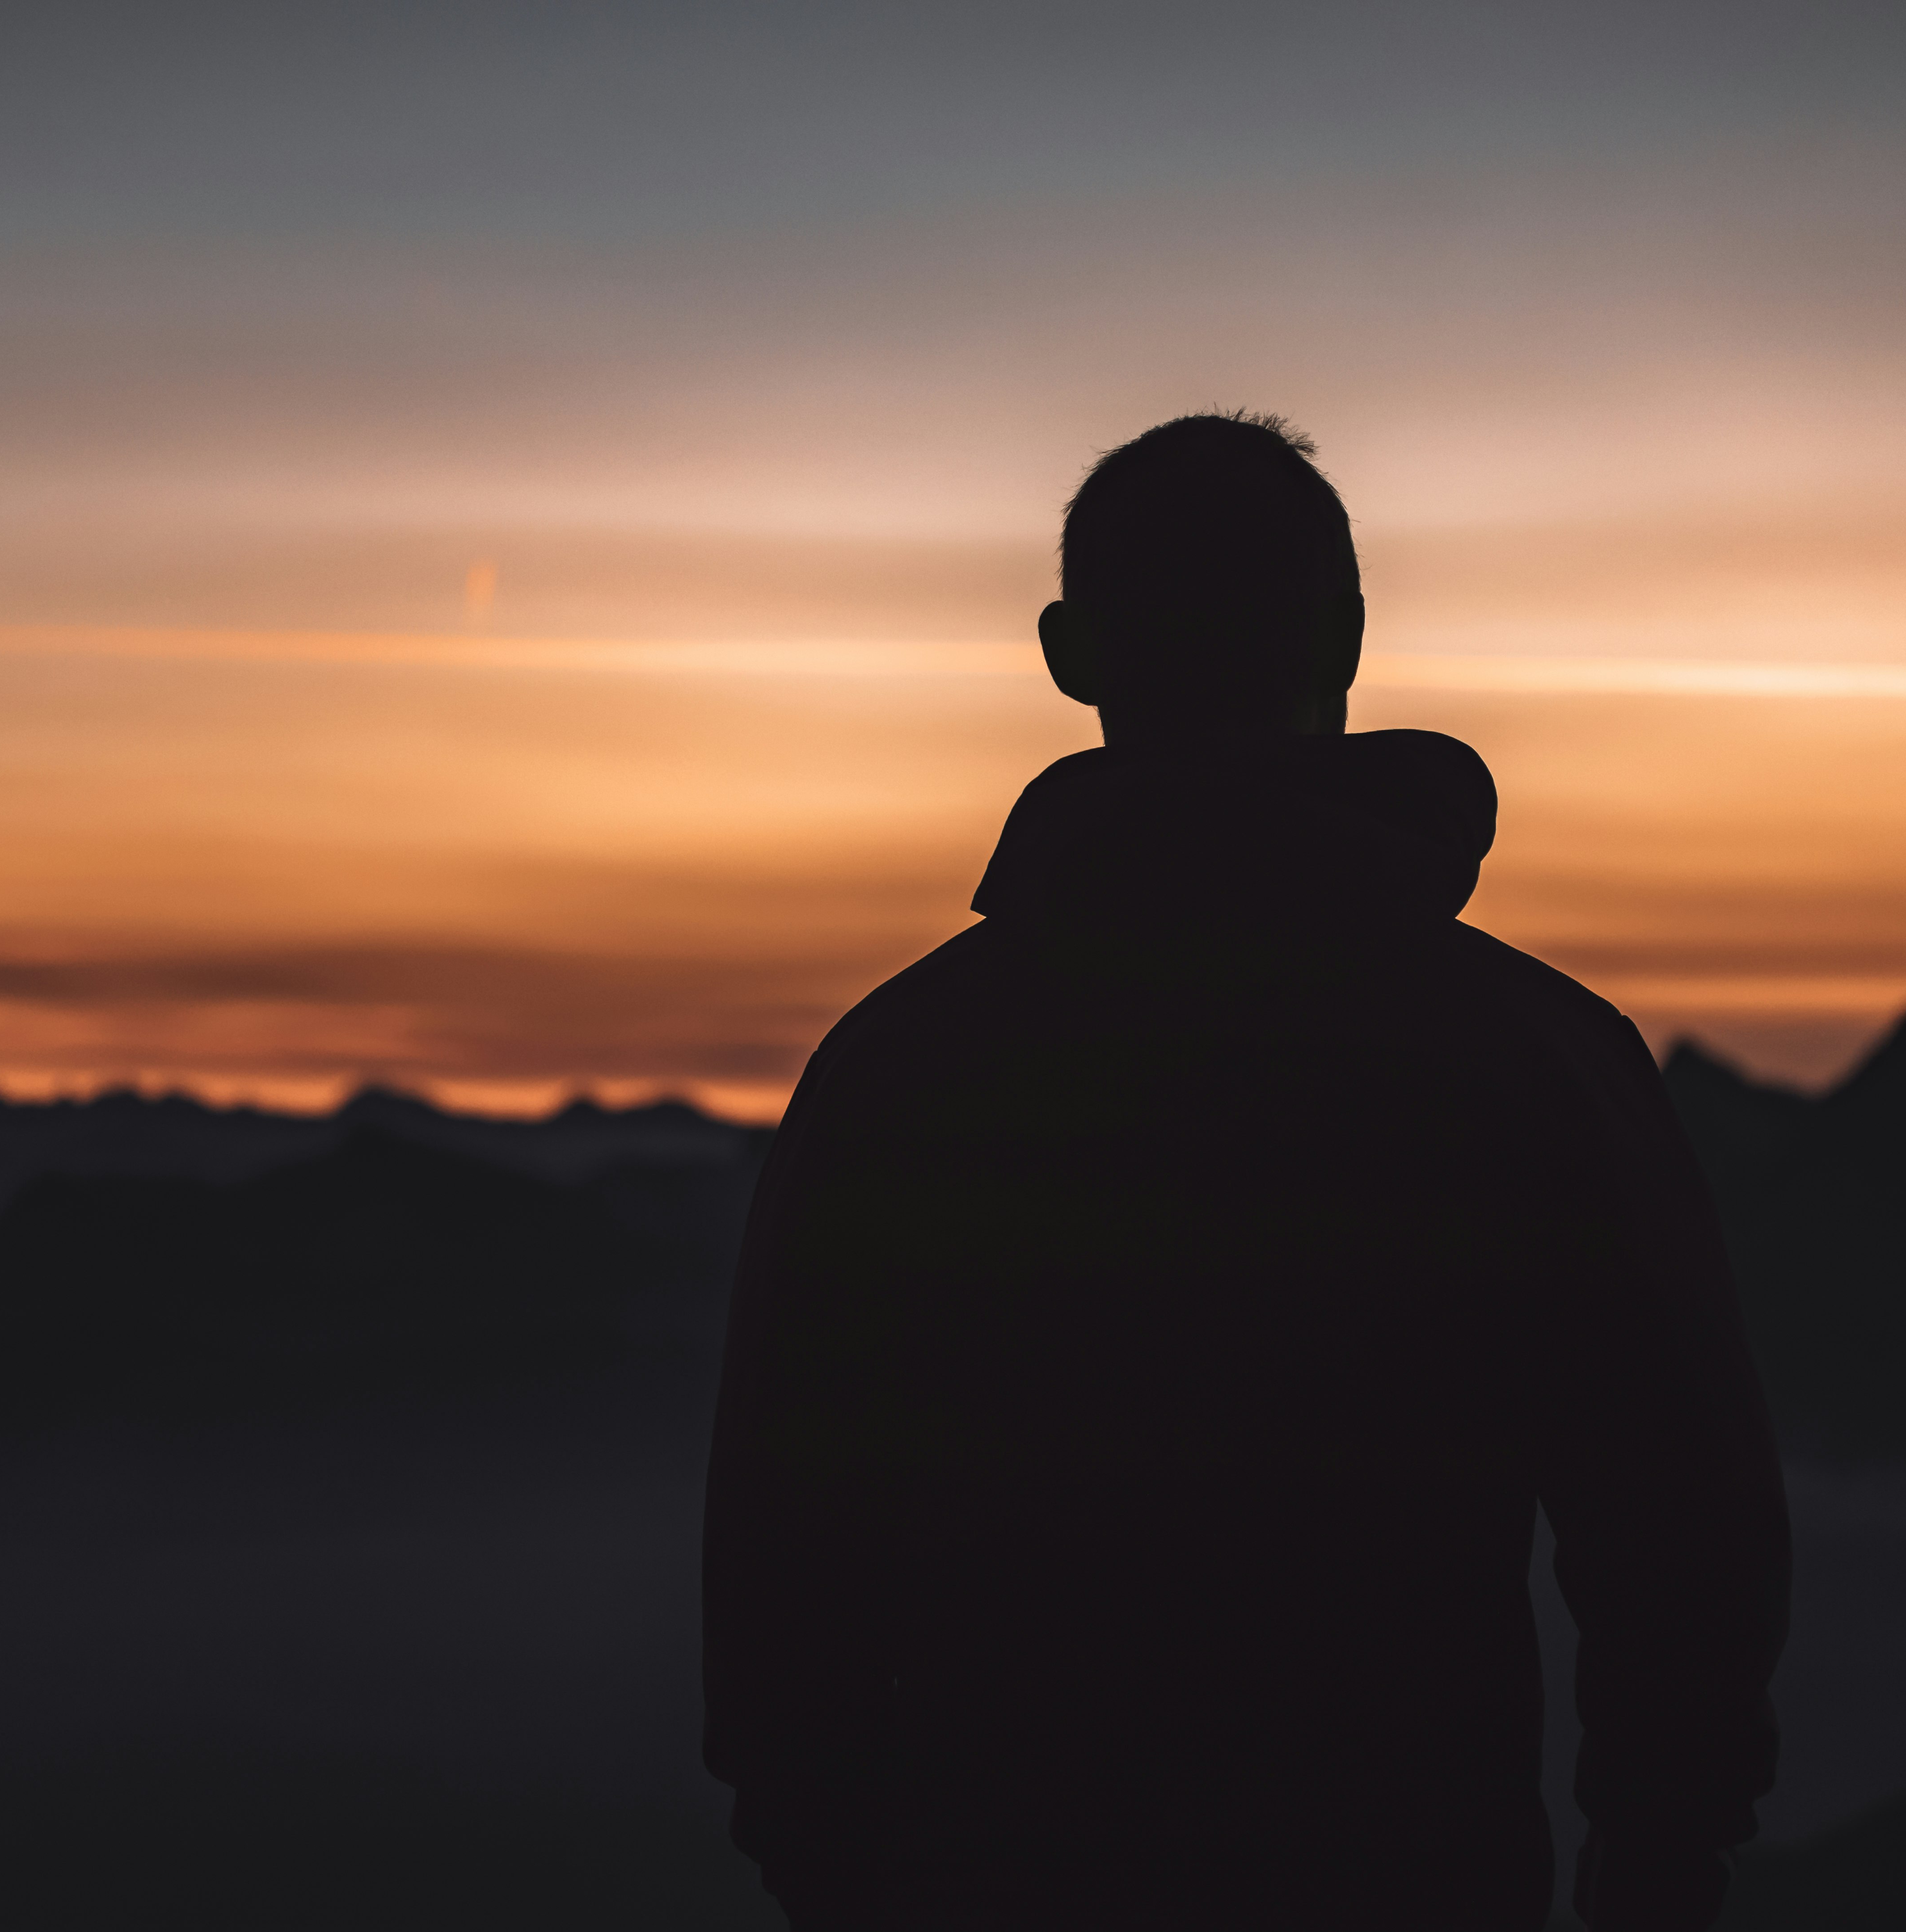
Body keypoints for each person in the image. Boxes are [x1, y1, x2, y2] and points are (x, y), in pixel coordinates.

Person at [701, 412, 1791, 1931]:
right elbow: (1680, 1513)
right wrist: (1662, 1855)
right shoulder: (1526, 1056)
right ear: (1345, 635)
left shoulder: (904, 1067)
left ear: (1069, 652)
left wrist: (825, 1854)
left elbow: (785, 1527)